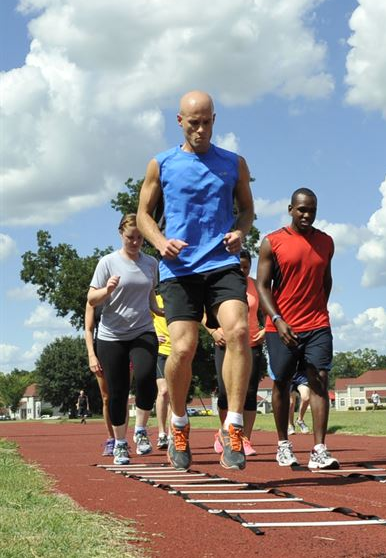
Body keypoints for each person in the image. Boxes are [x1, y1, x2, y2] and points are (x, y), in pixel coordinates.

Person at [137, 90, 254, 471]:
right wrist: (159, 242)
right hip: (180, 268)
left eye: (206, 122)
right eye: (193, 123)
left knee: (238, 331)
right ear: (179, 121)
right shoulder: (162, 164)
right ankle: (180, 423)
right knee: (183, 350)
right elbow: (143, 215)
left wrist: (240, 231)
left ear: (214, 120)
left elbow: (248, 210)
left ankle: (234, 428)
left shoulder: (233, 163)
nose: (200, 129)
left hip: (221, 262)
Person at [256, 188, 338, 470]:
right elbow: (262, 286)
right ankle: (282, 444)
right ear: (290, 209)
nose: (306, 215)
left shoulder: (326, 242)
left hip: (317, 324)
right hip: (281, 326)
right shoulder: (272, 242)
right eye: (302, 209)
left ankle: (319, 450)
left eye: (312, 210)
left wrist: (318, 311)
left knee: (320, 378)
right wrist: (277, 319)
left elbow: (326, 280)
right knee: (282, 383)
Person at [88, 214, 162, 465]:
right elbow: (91, 300)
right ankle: (120, 443)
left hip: (143, 330)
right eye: (131, 237)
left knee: (145, 378)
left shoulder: (151, 263)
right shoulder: (107, 263)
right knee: (117, 392)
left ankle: (141, 431)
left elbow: (150, 296)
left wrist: (161, 311)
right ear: (121, 233)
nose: (135, 242)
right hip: (112, 336)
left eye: (140, 238)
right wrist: (107, 290)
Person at [208, 250, 266, 457]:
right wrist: (213, 331)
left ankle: (244, 438)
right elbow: (203, 312)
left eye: (245, 267)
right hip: (226, 344)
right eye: (238, 266)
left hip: (251, 344)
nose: (242, 270)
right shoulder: (220, 282)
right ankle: (224, 432)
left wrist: (266, 329)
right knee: (225, 391)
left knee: (249, 393)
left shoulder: (256, 285)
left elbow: (270, 308)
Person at [83, 303, 117, 455]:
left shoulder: (126, 292)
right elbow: (88, 329)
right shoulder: (94, 299)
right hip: (101, 350)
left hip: (125, 348)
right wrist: (91, 355)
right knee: (106, 397)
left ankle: (122, 440)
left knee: (120, 396)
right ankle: (111, 439)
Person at [152, 293, 171, 450]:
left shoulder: (180, 297)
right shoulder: (154, 300)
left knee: (175, 394)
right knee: (164, 391)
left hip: (178, 352)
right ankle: (161, 433)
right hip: (161, 352)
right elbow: (142, 320)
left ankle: (173, 433)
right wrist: (154, 335)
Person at [288, 366, 311, 434]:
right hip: (289, 375)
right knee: (291, 403)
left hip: (302, 375)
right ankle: (290, 425)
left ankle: (300, 420)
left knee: (306, 398)